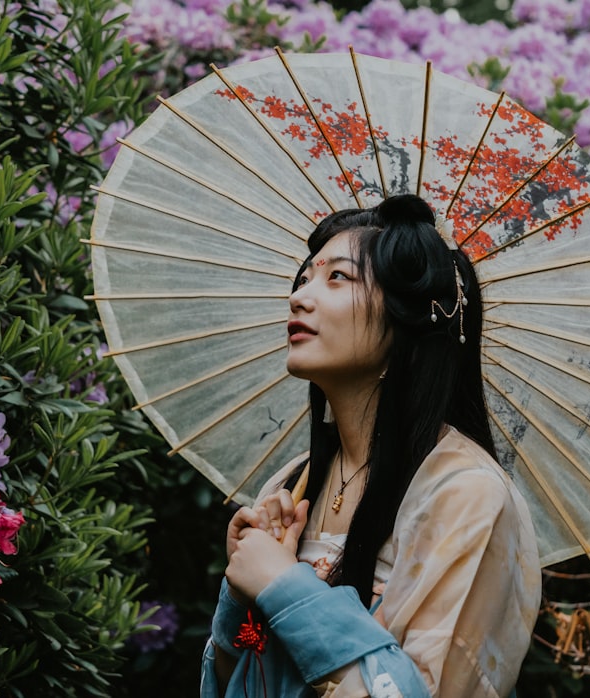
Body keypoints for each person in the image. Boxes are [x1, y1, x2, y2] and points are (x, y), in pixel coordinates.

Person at [201, 194, 541, 697]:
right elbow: (241, 671)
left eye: (337, 277)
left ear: (403, 322)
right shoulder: (292, 484)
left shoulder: (464, 496)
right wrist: (241, 595)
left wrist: (284, 587)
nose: (299, 297)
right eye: (304, 278)